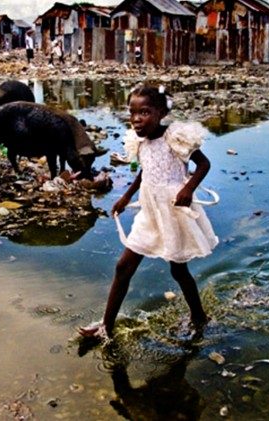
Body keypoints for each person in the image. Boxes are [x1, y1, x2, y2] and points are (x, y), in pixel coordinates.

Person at [79, 85, 218, 339]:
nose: (136, 119)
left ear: (161, 113)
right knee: (123, 267)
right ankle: (105, 327)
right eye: (132, 112)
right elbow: (145, 171)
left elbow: (203, 165)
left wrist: (188, 189)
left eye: (144, 112)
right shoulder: (139, 142)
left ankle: (199, 317)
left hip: (173, 210)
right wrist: (126, 196)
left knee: (178, 271)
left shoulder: (174, 138)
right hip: (150, 211)